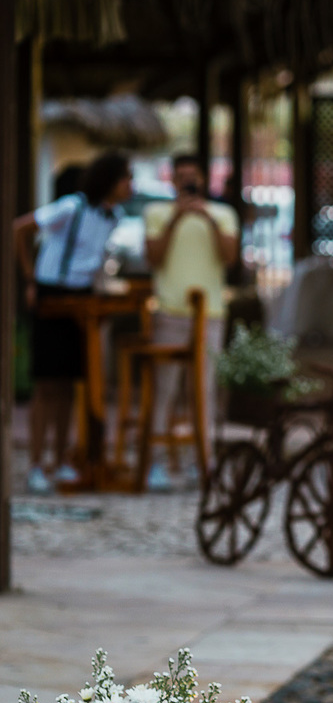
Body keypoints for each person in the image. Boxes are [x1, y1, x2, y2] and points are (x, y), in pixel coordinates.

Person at [13, 152, 133, 494]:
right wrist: (30, 279)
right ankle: (36, 462)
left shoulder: (113, 216)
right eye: (126, 178)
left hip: (82, 298)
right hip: (53, 293)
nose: (130, 186)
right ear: (110, 180)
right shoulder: (71, 207)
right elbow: (21, 229)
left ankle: (60, 459)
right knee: (46, 384)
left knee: (68, 385)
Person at [141, 155, 239, 489]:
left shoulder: (222, 214)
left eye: (192, 177)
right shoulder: (157, 213)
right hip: (170, 311)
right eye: (180, 176)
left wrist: (206, 217)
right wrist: (175, 219)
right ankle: (156, 463)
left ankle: (202, 461)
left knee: (203, 390)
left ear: (203, 180)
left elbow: (230, 257)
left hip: (210, 314)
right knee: (165, 389)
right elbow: (153, 258)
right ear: (172, 181)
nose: (186, 182)